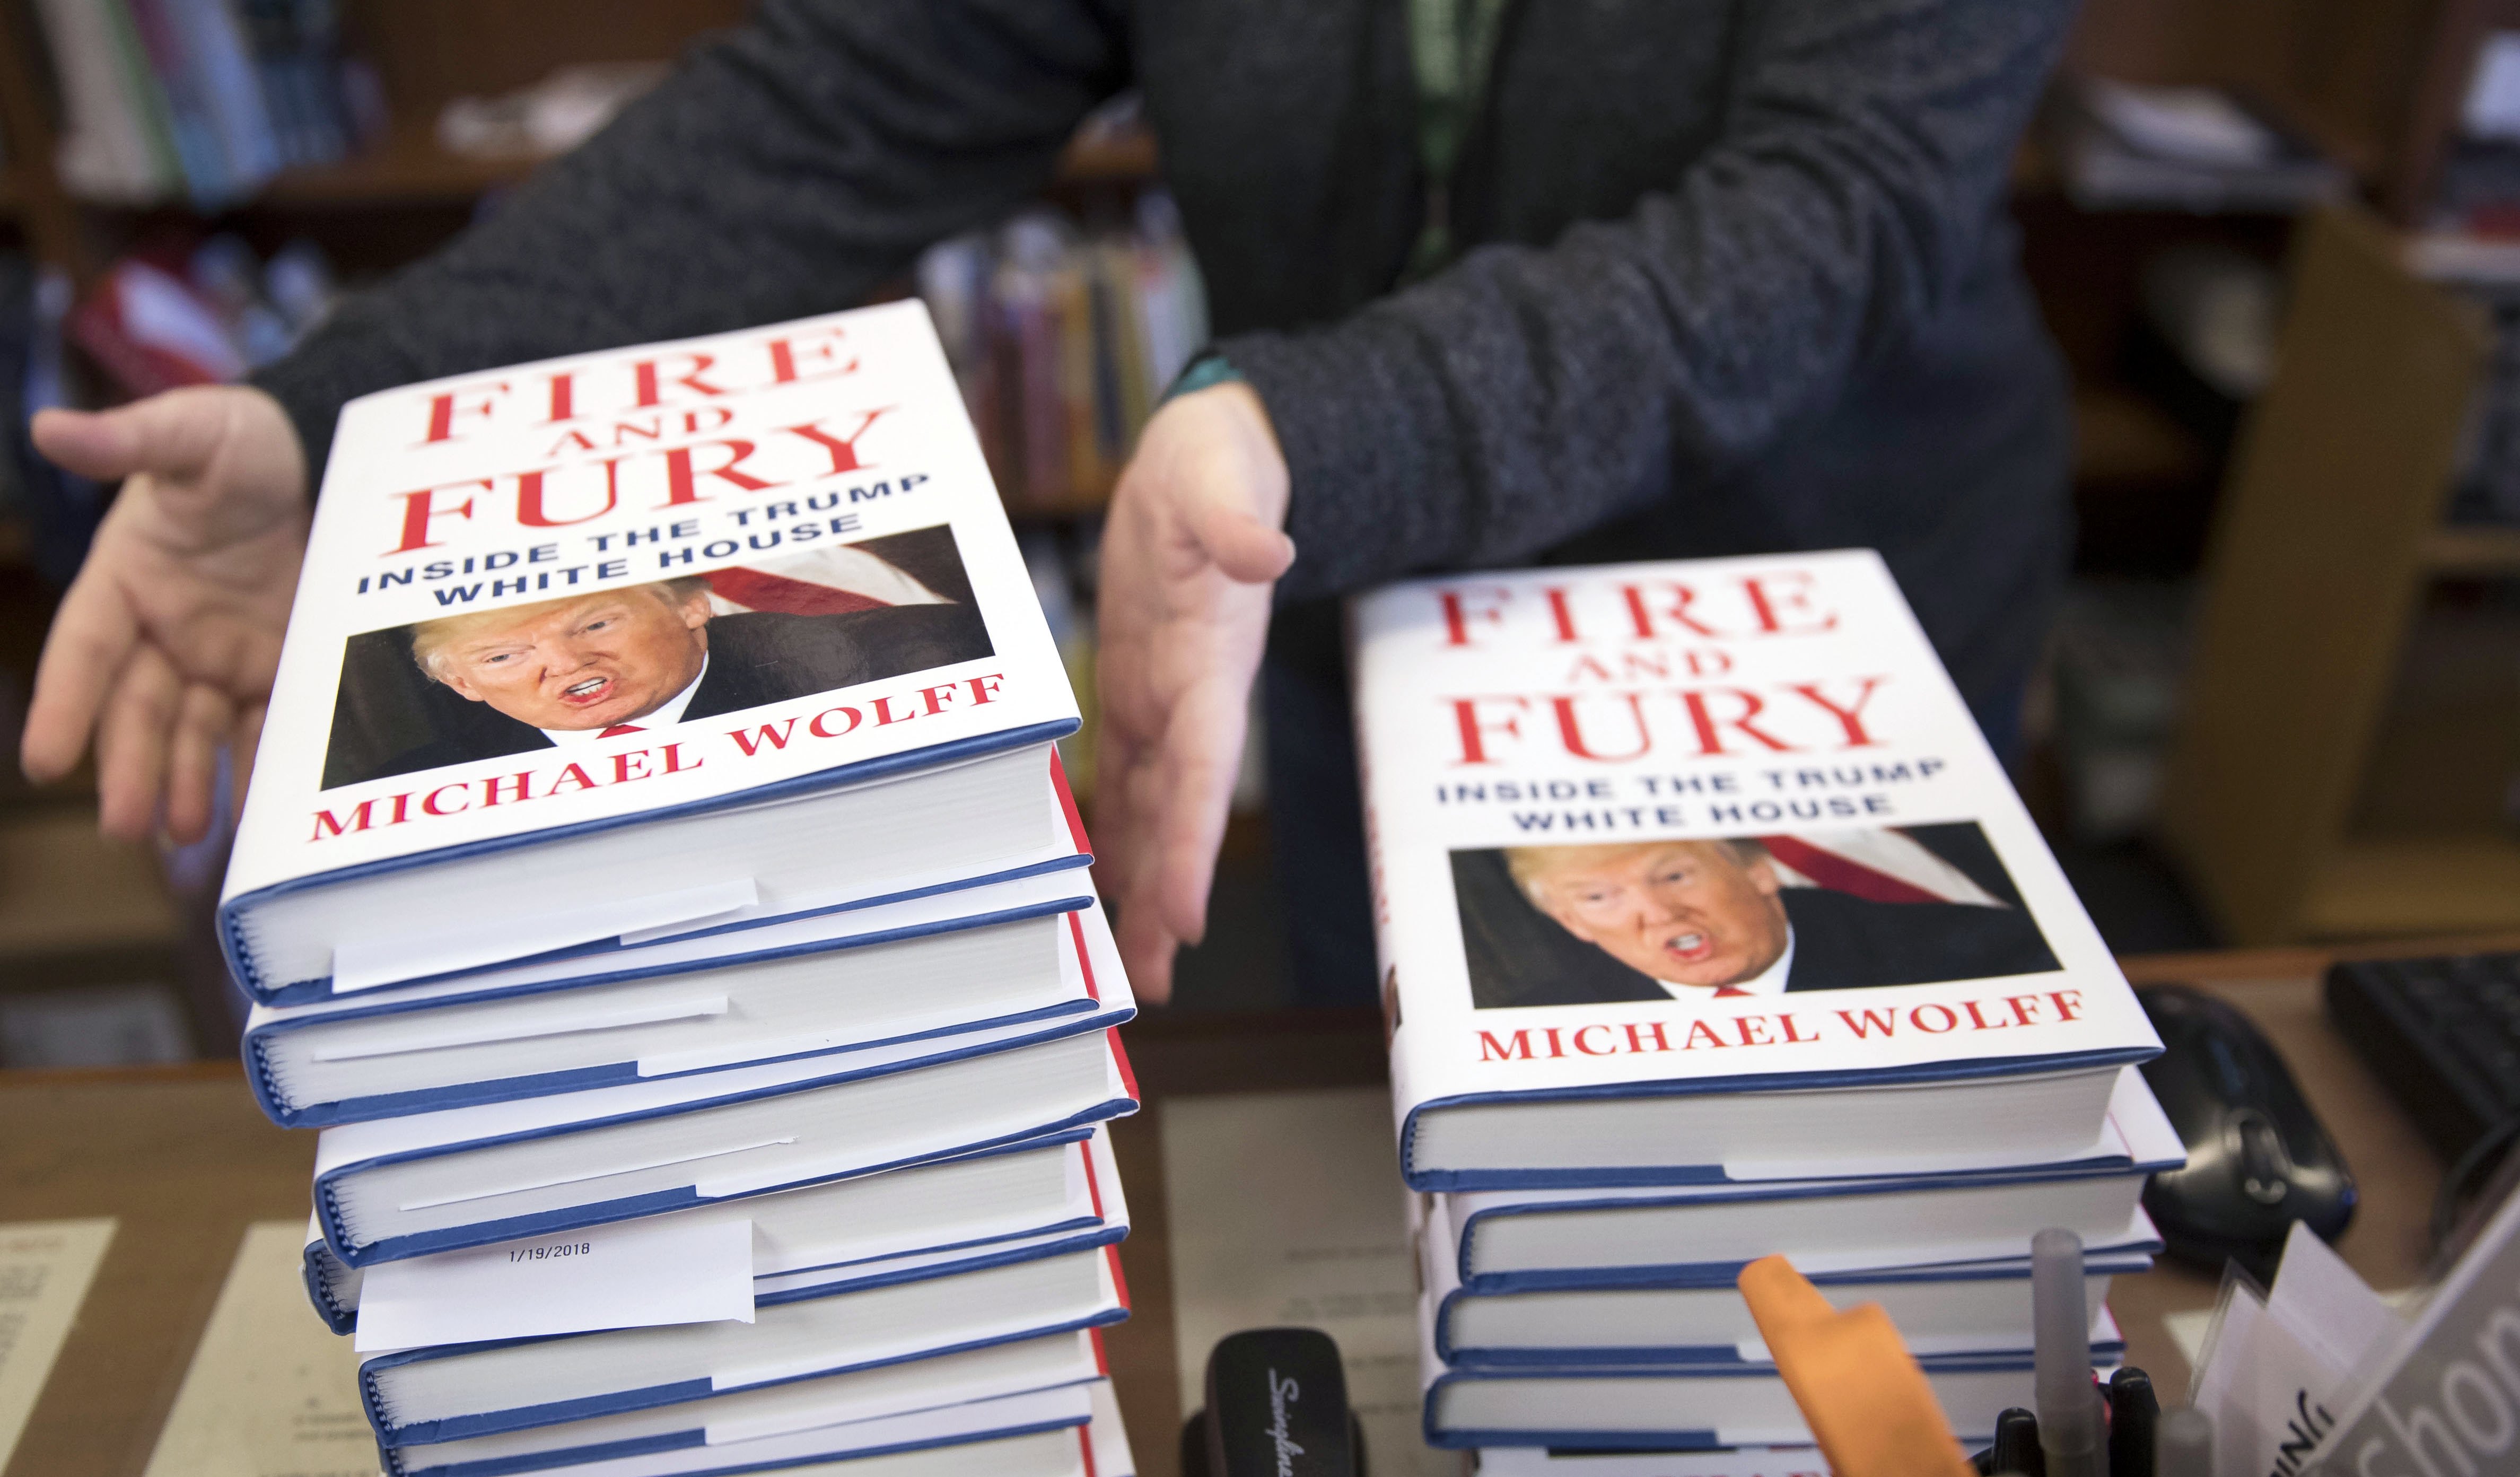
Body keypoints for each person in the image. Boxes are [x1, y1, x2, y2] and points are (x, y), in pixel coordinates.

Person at [14, 0, 2081, 1007]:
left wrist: (1311, 423)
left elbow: (1833, 214)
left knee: (1792, 1184)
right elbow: (830, 113)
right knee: (1388, 1117)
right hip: (1325, 572)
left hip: (1799, 583)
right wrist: (347, 407)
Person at [335, 578, 992, 785]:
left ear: (691, 605)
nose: (565, 666)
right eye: (503, 658)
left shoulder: (903, 663)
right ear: (461, 684)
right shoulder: (413, 784)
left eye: (594, 625)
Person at [1479, 838, 2058, 1007]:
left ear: (1757, 872)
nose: (1658, 914)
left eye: (1675, 876)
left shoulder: (1983, 956)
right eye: (1600, 897)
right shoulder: (1537, 1020)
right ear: (1571, 922)